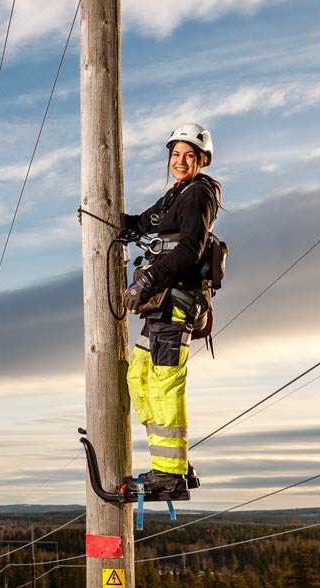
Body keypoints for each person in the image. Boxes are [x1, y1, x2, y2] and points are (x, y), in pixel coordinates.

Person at [119, 123, 221, 494]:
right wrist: (97, 214)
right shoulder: (174, 196)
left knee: (164, 385)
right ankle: (172, 461)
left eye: (189, 156)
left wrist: (146, 280)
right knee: (139, 376)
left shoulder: (198, 196)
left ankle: (169, 475)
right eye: (176, 155)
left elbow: (189, 250)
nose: (180, 161)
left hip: (177, 303)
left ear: (201, 161)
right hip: (163, 306)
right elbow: (139, 224)